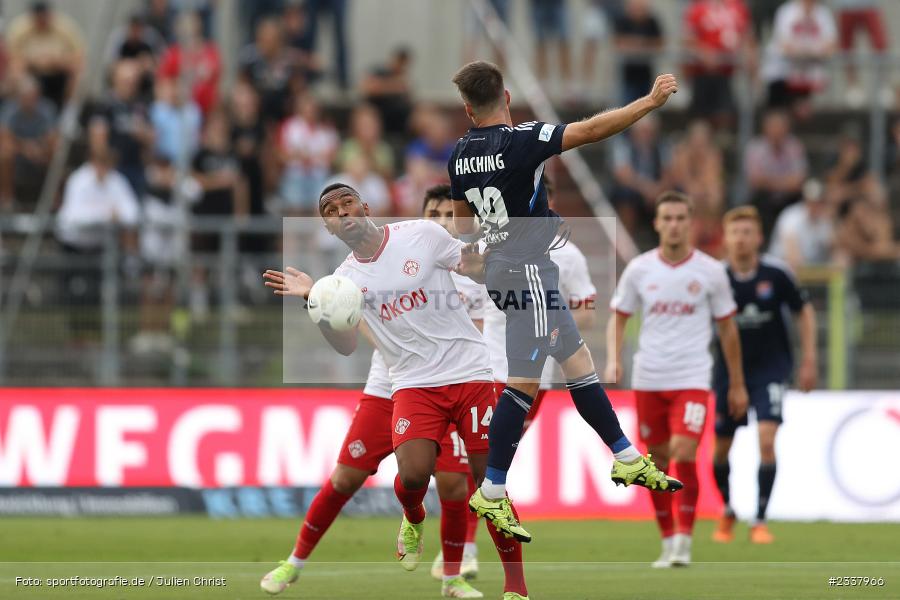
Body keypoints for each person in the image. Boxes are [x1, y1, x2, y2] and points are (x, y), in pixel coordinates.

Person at [449, 60, 682, 543]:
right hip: (528, 270)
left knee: (577, 361)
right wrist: (649, 102)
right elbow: (593, 130)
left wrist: (491, 239)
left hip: (506, 269)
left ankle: (625, 456)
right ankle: (492, 489)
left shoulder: (460, 154)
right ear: (506, 98)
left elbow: (463, 225)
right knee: (523, 385)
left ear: (468, 109)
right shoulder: (523, 138)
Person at [262, 183, 531, 600]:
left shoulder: (420, 234)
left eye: (347, 202)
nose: (342, 211)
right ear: (328, 228)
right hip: (411, 383)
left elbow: (470, 267)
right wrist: (316, 301)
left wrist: (494, 257)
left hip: (470, 373)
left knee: (487, 483)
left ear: (366, 207)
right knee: (411, 476)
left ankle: (515, 587)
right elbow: (346, 345)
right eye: (331, 211)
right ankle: (413, 515)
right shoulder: (343, 281)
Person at [605, 191, 748, 567]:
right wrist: (614, 359)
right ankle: (667, 538)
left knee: (684, 452)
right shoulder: (640, 269)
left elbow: (728, 329)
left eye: (680, 218)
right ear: (656, 223)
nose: (673, 225)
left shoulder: (710, 271)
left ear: (691, 224)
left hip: (692, 378)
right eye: (667, 218)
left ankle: (684, 538)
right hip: (649, 378)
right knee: (657, 463)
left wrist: (736, 383)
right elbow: (619, 316)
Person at [712, 205, 817, 544]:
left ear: (758, 238)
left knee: (767, 440)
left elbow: (804, 311)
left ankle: (759, 519)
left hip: (771, 369)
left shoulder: (777, 274)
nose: (741, 239)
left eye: (747, 232)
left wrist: (809, 359)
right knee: (721, 449)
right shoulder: (716, 277)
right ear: (726, 239)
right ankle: (728, 509)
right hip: (728, 372)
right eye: (735, 232)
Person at [683, 0, 753, 127]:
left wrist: (747, 55)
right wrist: (703, 53)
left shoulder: (738, 7)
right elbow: (688, 39)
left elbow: (747, 37)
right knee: (700, 117)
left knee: (725, 115)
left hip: (726, 74)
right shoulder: (698, 8)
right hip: (702, 73)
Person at [761, 0, 837, 116]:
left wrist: (805, 52)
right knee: (778, 114)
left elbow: (831, 46)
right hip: (782, 74)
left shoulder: (823, 13)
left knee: (803, 113)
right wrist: (813, 51)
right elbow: (785, 45)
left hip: (808, 74)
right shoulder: (786, 11)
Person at [5, 1, 84, 109]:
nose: (42, 23)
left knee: (75, 76)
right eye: (38, 19)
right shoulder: (20, 29)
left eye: (44, 19)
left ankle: (66, 108)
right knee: (17, 76)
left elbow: (78, 58)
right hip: (30, 73)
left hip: (59, 74)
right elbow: (12, 58)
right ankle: (22, 108)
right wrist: (33, 62)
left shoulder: (65, 28)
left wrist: (56, 61)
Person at [744, 110, 807, 239]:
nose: (777, 132)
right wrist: (786, 182)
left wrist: (769, 181)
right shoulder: (755, 147)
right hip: (764, 199)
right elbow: (755, 181)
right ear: (765, 129)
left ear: (787, 129)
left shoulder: (794, 146)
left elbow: (799, 181)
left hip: (790, 199)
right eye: (773, 127)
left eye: (780, 127)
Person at [0, 74, 57, 212]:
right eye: (26, 97)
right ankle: (7, 198)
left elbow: (52, 137)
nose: (30, 100)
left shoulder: (47, 108)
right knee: (4, 153)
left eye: (33, 96)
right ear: (19, 97)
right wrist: (25, 147)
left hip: (41, 151)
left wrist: (39, 149)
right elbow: (5, 137)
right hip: (18, 152)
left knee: (56, 152)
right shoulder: (9, 109)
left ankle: (53, 197)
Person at [768, 178, 835, 271]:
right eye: (812, 201)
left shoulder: (824, 220)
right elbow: (792, 256)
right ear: (805, 200)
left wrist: (834, 219)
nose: (815, 205)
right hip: (781, 269)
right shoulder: (791, 216)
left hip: (808, 269)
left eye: (819, 201)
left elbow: (834, 249)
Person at [613, 0, 663, 104]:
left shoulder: (651, 22)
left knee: (647, 104)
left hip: (646, 74)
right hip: (628, 75)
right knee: (627, 104)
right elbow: (618, 42)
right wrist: (642, 43)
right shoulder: (623, 21)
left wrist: (637, 43)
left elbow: (659, 42)